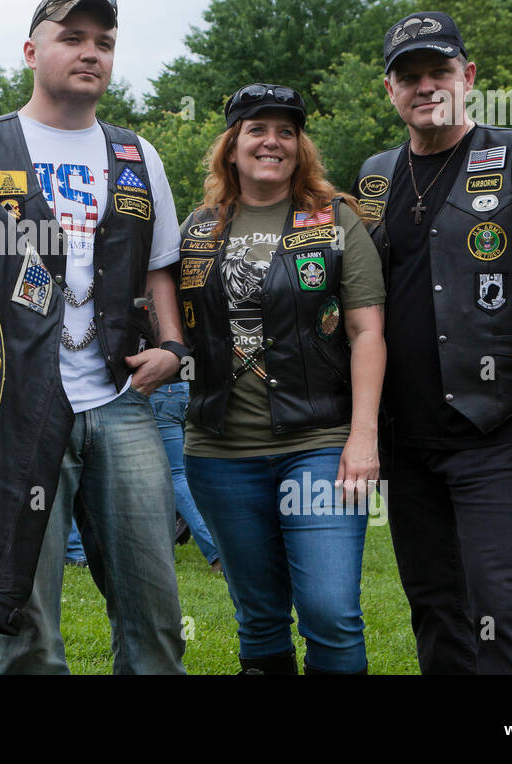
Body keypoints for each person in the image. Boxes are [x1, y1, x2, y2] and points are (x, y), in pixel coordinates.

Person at [354, 10, 512, 674]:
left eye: (440, 71)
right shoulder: (374, 179)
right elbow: (359, 305)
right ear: (389, 89)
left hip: (496, 427)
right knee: (434, 604)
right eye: (410, 76)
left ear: (470, 77)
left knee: (497, 601)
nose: (425, 86)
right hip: (409, 439)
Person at [0, 0, 188, 674]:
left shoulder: (136, 155)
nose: (90, 52)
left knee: (155, 610)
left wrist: (173, 347)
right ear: (32, 49)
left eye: (103, 42)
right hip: (16, 407)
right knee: (27, 620)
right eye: (72, 38)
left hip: (120, 403)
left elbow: (161, 268)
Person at [179, 84, 386, 674]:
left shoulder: (336, 217)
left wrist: (363, 436)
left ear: (300, 146)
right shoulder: (197, 229)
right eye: (256, 129)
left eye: (286, 131)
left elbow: (366, 332)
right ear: (232, 146)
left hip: (317, 444)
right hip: (219, 453)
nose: (272, 140)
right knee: (260, 614)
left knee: (329, 609)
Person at [150, 381, 221, 572]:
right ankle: (164, 552)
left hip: (161, 391)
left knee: (175, 476)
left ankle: (217, 550)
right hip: (186, 390)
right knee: (180, 474)